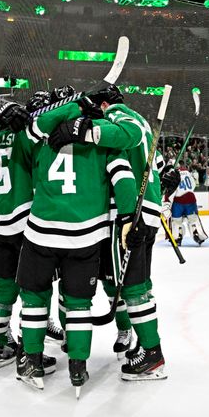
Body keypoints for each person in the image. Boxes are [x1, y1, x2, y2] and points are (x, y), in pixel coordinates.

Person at [19, 87, 139, 392]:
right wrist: (127, 219)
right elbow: (124, 178)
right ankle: (78, 366)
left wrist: (69, 107)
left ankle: (31, 360)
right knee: (79, 303)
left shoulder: (44, 133)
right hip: (85, 236)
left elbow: (30, 129)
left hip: (41, 231)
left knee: (34, 298)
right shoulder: (103, 136)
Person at [47, 85, 169, 383]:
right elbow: (157, 163)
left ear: (103, 105)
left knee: (131, 287)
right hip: (147, 210)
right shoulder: (141, 120)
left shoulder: (119, 115)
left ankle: (153, 356)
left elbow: (125, 134)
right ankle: (145, 346)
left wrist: (85, 130)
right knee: (138, 282)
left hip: (130, 214)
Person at [0, 100, 50, 374]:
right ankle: (30, 350)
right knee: (33, 286)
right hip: (26, 217)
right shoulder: (27, 131)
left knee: (1, 286)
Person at [167, 160, 208, 245]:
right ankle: (198, 235)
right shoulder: (187, 172)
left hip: (178, 200)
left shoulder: (172, 174)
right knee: (193, 219)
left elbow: (170, 190)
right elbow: (193, 185)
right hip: (190, 198)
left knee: (176, 221)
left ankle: (177, 237)